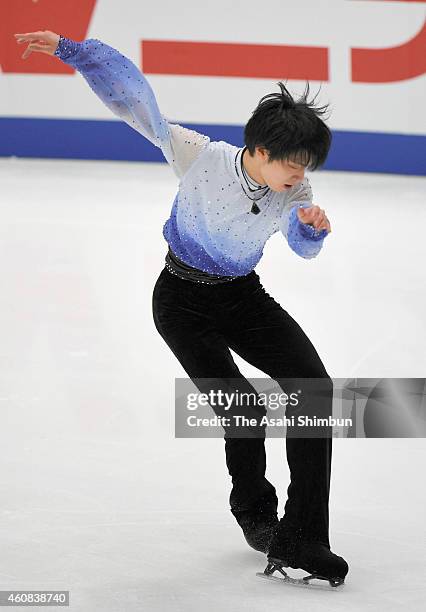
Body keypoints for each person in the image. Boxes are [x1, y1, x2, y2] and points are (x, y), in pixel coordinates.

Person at [14, 30, 349, 585]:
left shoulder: (295, 190)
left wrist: (311, 232)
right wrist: (75, 51)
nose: (301, 175)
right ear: (261, 151)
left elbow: (299, 239)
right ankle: (256, 516)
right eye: (293, 163)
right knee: (241, 408)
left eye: (307, 166)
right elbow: (136, 103)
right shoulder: (201, 156)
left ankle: (304, 536)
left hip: (243, 297)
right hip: (181, 302)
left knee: (313, 389)